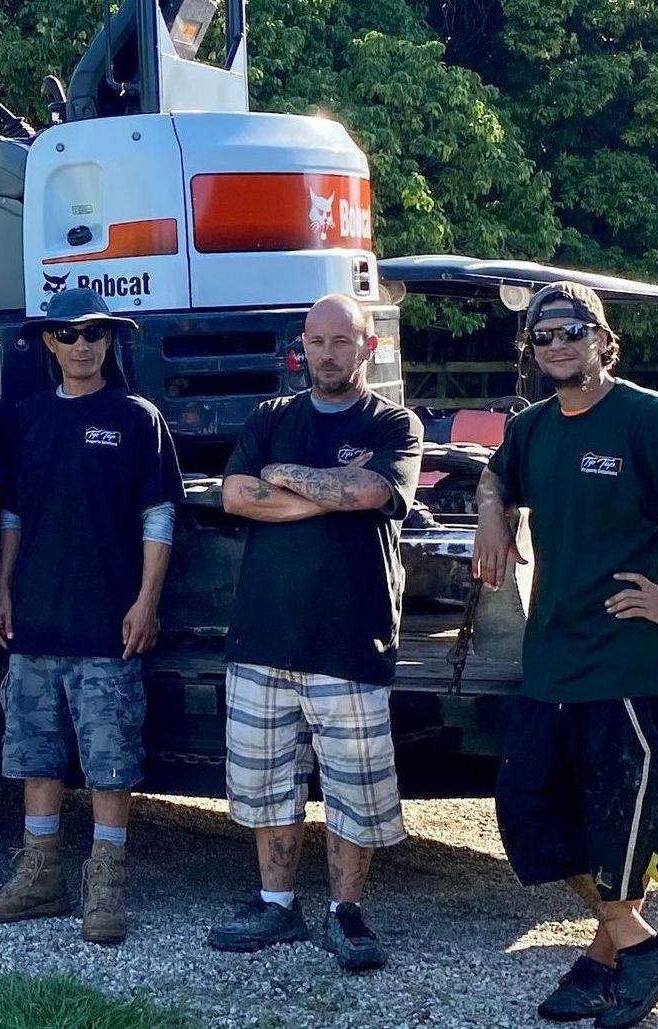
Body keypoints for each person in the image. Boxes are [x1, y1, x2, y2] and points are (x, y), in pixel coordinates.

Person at [473, 282, 658, 1028]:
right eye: (542, 335)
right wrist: (490, 518)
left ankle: (611, 957)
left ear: (604, 340)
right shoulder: (534, 427)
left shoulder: (646, 418)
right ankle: (633, 944)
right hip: (551, 662)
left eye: (573, 329)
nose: (557, 343)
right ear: (530, 351)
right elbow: (495, 473)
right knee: (529, 813)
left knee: (618, 831)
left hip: (627, 666)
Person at [212, 293, 423, 971]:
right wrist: (328, 491)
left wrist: (286, 480)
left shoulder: (394, 422)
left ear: (369, 346)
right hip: (262, 637)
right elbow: (235, 496)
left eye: (341, 340)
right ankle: (275, 904)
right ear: (300, 346)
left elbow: (371, 494)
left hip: (349, 639)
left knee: (352, 791)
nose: (327, 353)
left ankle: (345, 912)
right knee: (265, 783)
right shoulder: (270, 416)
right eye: (316, 341)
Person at [0, 287, 182, 944]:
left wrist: (146, 600)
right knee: (36, 754)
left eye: (94, 332)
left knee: (109, 758)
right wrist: (2, 590)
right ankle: (40, 877)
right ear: (47, 343)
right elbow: (11, 515)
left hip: (107, 623)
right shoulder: (24, 418)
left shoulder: (136, 416)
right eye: (67, 334)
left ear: (109, 340)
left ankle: (106, 882)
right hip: (34, 618)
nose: (82, 344)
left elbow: (159, 515)